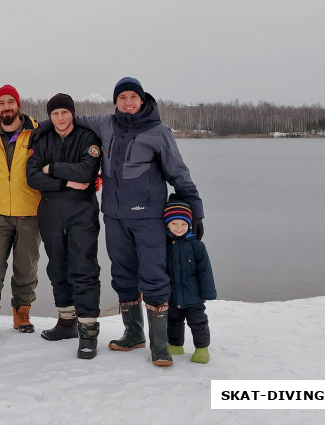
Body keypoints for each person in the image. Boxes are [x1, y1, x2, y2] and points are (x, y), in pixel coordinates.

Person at [46, 77, 205, 366]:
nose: (128, 102)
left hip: (149, 217)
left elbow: (178, 173)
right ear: (116, 101)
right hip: (114, 217)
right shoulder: (106, 124)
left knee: (154, 277)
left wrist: (195, 210)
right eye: (122, 98)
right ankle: (133, 333)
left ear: (142, 100)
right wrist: (40, 126)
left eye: (133, 97)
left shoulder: (158, 132)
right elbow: (70, 117)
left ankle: (160, 345)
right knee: (122, 276)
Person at [27, 93, 103, 359]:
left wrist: (52, 168)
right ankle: (67, 322)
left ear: (72, 113)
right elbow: (32, 177)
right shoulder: (41, 138)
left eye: (64, 113)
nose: (60, 118)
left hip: (81, 209)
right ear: (50, 116)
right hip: (49, 210)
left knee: (83, 267)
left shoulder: (87, 137)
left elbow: (86, 171)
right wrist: (63, 181)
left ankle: (88, 330)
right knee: (57, 266)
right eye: (55, 114)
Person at [0, 85, 42, 341]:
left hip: (30, 212)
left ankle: (22, 312)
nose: (6, 107)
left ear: (18, 105)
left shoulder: (38, 133)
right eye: (1, 103)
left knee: (26, 268)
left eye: (10, 101)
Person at [163, 198, 216, 364]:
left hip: (194, 295)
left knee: (198, 323)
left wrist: (207, 292)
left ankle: (202, 349)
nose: (179, 228)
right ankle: (175, 345)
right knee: (173, 321)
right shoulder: (164, 245)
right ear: (167, 225)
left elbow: (205, 271)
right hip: (173, 295)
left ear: (190, 225)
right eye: (174, 224)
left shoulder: (197, 246)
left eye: (184, 224)